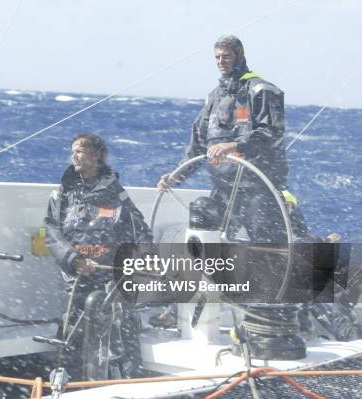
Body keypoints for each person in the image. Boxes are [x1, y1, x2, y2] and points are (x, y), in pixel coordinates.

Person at [157, 34, 292, 244]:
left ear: (240, 56)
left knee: (268, 249)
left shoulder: (261, 90)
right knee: (201, 217)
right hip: (224, 189)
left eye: (226, 57)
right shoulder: (215, 97)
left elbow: (272, 133)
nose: (221, 62)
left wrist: (235, 145)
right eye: (217, 58)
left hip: (258, 189)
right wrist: (176, 177)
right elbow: (199, 143)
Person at [45, 133, 153, 379]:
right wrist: (73, 259)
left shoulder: (118, 196)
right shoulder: (61, 195)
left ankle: (130, 382)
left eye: (80, 151)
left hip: (111, 279)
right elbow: (52, 232)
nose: (74, 155)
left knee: (122, 329)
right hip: (76, 280)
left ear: (96, 156)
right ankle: (71, 385)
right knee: (71, 332)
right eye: (72, 150)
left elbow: (140, 231)